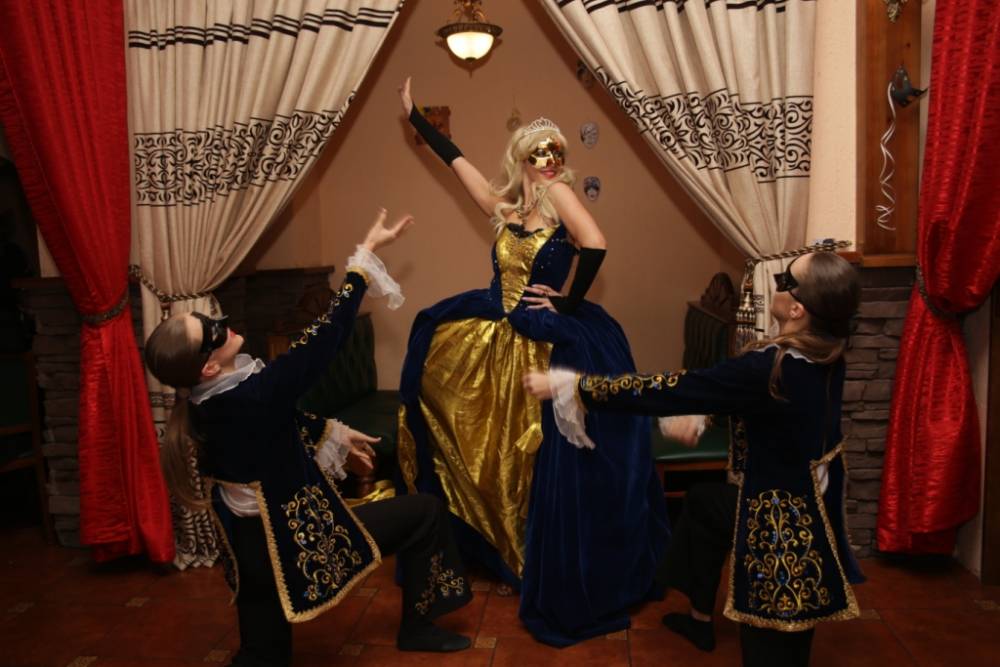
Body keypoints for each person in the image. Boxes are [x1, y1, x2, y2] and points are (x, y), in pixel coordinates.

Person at [395, 77, 669, 647]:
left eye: (557, 153)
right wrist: (417, 119)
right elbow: (457, 163)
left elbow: (595, 243)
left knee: (544, 456)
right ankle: (507, 548)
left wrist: (567, 304)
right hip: (497, 330)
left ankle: (542, 560)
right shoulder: (507, 207)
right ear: (520, 158)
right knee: (487, 441)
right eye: (540, 153)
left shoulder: (558, 196)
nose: (550, 161)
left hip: (546, 336)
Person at [144, 209, 473, 666]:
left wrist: (331, 432)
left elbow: (270, 426)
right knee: (425, 512)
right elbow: (324, 341)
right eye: (211, 331)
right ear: (209, 366)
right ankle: (419, 627)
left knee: (262, 656)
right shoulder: (254, 394)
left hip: (250, 551)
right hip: (292, 544)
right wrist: (364, 259)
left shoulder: (206, 403)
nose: (221, 321)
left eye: (208, 317)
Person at [524, 251, 865, 666]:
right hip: (809, 505)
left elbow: (671, 388)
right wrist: (707, 415)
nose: (776, 282)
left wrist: (574, 386)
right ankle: (699, 618)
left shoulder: (769, 367)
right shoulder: (827, 350)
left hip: (780, 530)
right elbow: (771, 408)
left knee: (773, 648)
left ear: (797, 309)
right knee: (705, 504)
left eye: (785, 279)